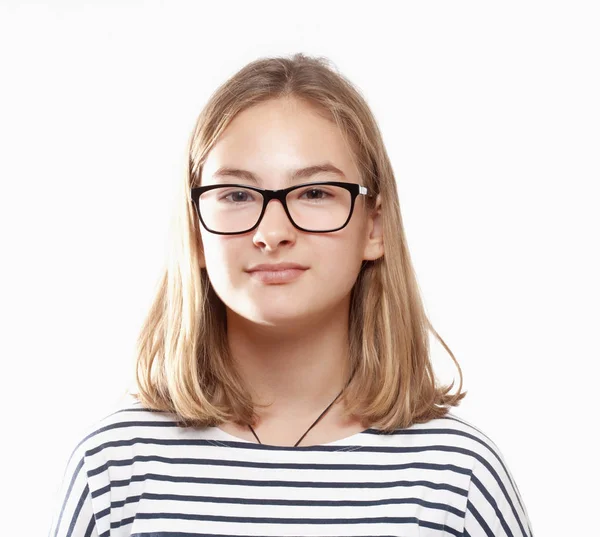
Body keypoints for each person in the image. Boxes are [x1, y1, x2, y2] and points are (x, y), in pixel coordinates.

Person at [48, 53, 534, 537]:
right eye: (236, 195)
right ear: (195, 232)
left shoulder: (457, 479)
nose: (272, 231)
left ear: (375, 226)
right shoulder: (115, 470)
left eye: (315, 192)